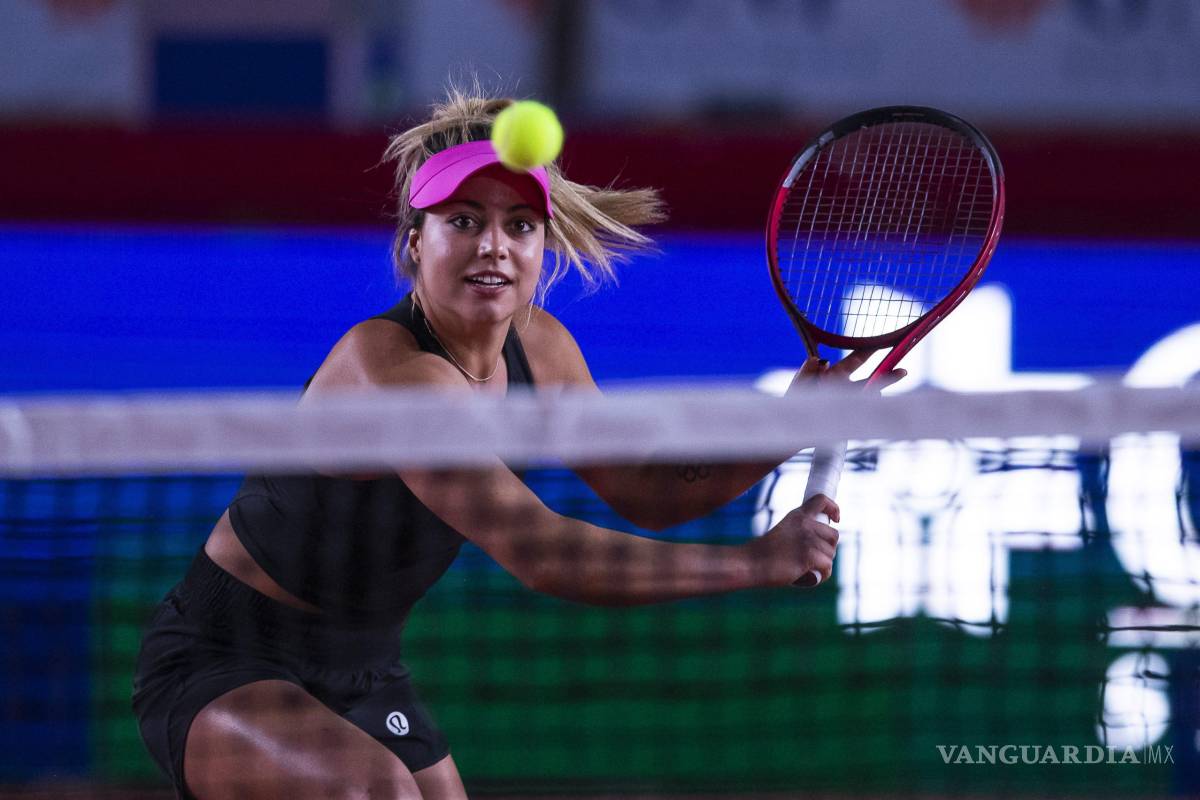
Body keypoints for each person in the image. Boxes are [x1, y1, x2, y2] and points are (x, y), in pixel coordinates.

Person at [132, 89, 904, 800]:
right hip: (223, 656)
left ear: (543, 246)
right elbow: (545, 554)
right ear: (416, 242)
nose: (494, 246)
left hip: (365, 662)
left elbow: (650, 491)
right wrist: (753, 563)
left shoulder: (541, 348)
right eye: (464, 221)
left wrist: (790, 425)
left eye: (520, 226)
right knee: (372, 792)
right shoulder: (390, 370)